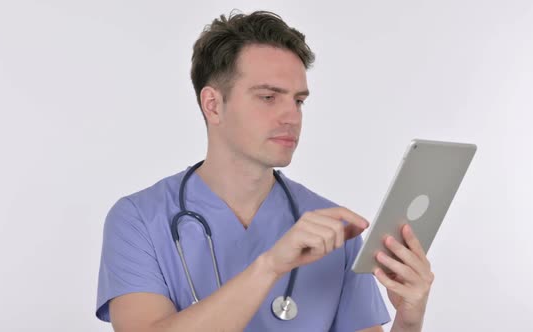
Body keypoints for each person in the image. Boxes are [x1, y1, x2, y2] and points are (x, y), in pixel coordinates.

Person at [95, 10, 434, 332]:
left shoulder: (334, 231)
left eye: (298, 100)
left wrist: (408, 319)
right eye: (269, 97)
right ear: (213, 104)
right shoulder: (139, 219)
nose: (291, 116)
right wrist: (271, 264)